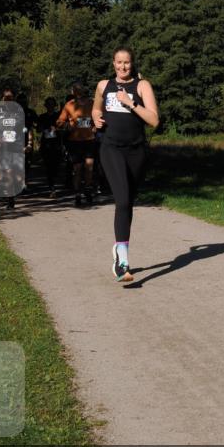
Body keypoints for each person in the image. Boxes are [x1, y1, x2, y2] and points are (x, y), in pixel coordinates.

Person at [93, 47, 159, 281]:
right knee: (121, 200)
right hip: (111, 148)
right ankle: (122, 262)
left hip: (136, 151)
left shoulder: (142, 86)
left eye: (127, 63)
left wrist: (130, 103)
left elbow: (154, 120)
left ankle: (119, 247)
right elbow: (95, 108)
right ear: (113, 63)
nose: (122, 67)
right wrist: (95, 117)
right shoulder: (103, 85)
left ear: (132, 64)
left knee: (127, 203)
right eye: (119, 63)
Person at [57, 82, 97, 208]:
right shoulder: (69, 105)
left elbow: (100, 117)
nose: (78, 91)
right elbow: (59, 122)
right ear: (73, 92)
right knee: (78, 169)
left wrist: (96, 125)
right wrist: (68, 125)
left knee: (89, 167)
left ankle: (88, 189)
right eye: (75, 90)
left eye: (80, 89)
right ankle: (77, 194)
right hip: (75, 141)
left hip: (90, 140)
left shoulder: (93, 103)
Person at [0, 86, 25, 209]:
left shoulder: (19, 110)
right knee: (8, 172)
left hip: (17, 145)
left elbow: (23, 128)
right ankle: (10, 199)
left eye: (10, 97)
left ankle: (13, 187)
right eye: (6, 97)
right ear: (2, 98)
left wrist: (28, 142)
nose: (8, 99)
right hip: (3, 146)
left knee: (17, 175)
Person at [36, 96, 63, 197]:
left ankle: (54, 183)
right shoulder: (42, 117)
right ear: (46, 106)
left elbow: (64, 128)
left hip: (56, 144)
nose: (50, 106)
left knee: (56, 166)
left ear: (54, 106)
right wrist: (43, 128)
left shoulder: (59, 116)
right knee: (48, 167)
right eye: (48, 104)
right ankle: (52, 188)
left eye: (52, 104)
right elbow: (38, 129)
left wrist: (56, 129)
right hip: (46, 145)